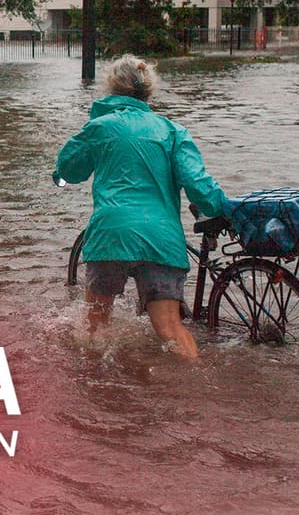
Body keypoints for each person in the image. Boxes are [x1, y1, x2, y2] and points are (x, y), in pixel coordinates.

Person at [53, 55, 228, 360]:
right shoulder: (172, 131)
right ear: (149, 92)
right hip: (161, 241)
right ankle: (198, 389)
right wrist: (222, 208)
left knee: (95, 328)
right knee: (171, 329)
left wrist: (61, 176)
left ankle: (90, 395)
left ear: (112, 89)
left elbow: (69, 170)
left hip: (112, 236)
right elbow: (198, 185)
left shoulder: (100, 127)